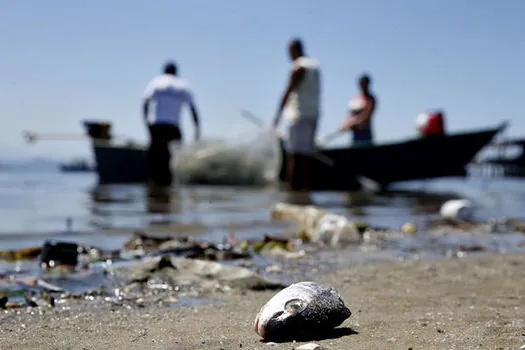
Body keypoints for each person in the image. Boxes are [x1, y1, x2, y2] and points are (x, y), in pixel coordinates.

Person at [273, 38, 321, 191]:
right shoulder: (315, 66)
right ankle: (304, 192)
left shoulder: (298, 67)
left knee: (294, 156)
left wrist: (277, 116)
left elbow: (288, 91)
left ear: (295, 50)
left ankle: (293, 193)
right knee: (306, 156)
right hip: (313, 114)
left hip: (298, 116)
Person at [142, 61, 201, 187]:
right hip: (173, 127)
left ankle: (155, 186)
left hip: (157, 125)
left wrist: (146, 123)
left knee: (155, 159)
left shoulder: (156, 82)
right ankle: (172, 187)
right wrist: (197, 128)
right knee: (175, 158)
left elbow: (146, 103)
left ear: (164, 71)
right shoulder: (183, 85)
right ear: (176, 72)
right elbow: (192, 108)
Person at [340, 74, 377, 145]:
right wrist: (345, 124)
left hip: (365, 133)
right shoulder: (355, 99)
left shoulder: (371, 99)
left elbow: (367, 114)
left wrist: (353, 122)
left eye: (364, 84)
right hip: (355, 134)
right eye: (361, 83)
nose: (363, 86)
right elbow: (349, 114)